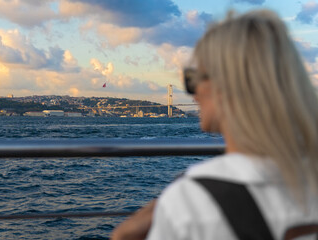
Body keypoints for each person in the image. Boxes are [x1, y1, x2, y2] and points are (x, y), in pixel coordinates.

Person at [111, 9, 318, 240]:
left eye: (193, 79)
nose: (193, 95)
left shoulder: (189, 203)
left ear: (225, 85)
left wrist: (122, 237)